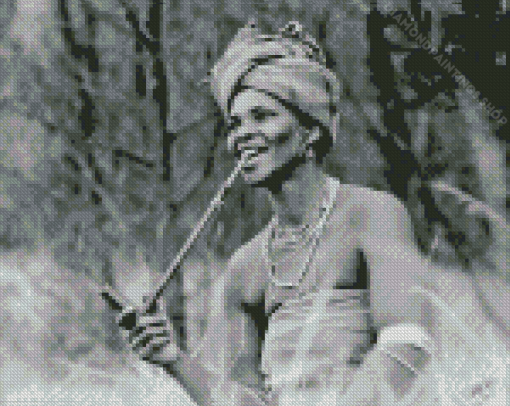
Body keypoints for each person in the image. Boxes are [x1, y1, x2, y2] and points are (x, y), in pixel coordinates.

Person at [120, 21, 508, 406]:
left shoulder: (372, 215)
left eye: (263, 116)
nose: (242, 134)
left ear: (311, 133)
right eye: (235, 123)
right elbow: (238, 402)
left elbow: (408, 345)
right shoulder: (245, 268)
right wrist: (173, 358)